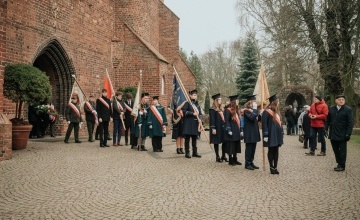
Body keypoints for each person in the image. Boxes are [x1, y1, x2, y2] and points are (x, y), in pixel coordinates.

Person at [325, 95, 354, 172]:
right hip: (333, 133)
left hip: (343, 133)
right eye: (339, 99)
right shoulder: (331, 109)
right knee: (335, 149)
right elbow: (327, 120)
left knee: (342, 150)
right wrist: (325, 129)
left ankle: (342, 165)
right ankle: (339, 163)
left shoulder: (348, 109)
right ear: (336, 101)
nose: (341, 101)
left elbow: (350, 123)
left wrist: (348, 133)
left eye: (343, 100)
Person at [262, 94, 284, 174]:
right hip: (271, 134)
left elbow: (280, 123)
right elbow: (264, 124)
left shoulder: (277, 111)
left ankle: (275, 167)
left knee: (276, 150)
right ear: (273, 102)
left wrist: (282, 131)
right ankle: (271, 167)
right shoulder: (266, 111)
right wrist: (265, 134)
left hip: (277, 134)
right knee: (271, 150)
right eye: (277, 101)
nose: (278, 103)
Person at [181, 89, 202, 158]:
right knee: (187, 139)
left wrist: (200, 121)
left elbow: (200, 113)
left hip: (195, 123)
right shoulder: (187, 103)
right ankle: (187, 153)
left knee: (194, 139)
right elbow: (184, 112)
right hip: (188, 124)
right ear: (190, 95)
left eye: (196, 95)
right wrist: (192, 113)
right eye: (193, 95)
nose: (195, 96)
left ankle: (195, 152)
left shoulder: (197, 104)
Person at [243, 94, 261, 170]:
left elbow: (257, 119)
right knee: (249, 148)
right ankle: (247, 163)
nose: (255, 103)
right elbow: (251, 118)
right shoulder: (246, 110)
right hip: (249, 131)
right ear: (250, 102)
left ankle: (251, 162)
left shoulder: (253, 110)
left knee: (253, 148)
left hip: (254, 131)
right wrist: (255, 109)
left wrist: (261, 114)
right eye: (253, 101)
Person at [224, 95, 242, 166]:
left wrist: (241, 130)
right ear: (234, 102)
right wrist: (229, 129)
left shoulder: (236, 110)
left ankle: (235, 159)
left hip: (236, 130)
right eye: (237, 101)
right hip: (231, 130)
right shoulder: (228, 110)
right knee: (231, 146)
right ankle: (230, 160)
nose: (238, 102)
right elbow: (227, 121)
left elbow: (239, 121)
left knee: (236, 145)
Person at [209, 93, 227, 163]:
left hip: (222, 127)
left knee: (224, 141)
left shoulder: (221, 109)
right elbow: (212, 119)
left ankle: (223, 156)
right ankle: (217, 156)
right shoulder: (212, 109)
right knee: (216, 142)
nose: (220, 101)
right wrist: (213, 128)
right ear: (216, 100)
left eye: (221, 99)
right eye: (219, 99)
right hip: (216, 127)